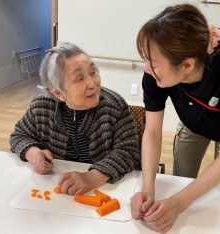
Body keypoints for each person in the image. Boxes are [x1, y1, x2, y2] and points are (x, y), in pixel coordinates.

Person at [130, 4, 220, 234]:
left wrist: (177, 204)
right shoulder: (154, 71)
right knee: (183, 177)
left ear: (187, 64)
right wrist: (148, 189)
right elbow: (152, 131)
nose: (147, 68)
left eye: (154, 64)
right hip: (194, 122)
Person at [10, 42, 140, 195]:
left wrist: (93, 177)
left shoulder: (114, 105)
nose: (92, 84)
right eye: (80, 78)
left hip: (105, 190)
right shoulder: (42, 106)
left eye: (93, 72)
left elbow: (130, 151)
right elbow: (19, 135)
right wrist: (31, 152)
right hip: (55, 188)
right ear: (58, 92)